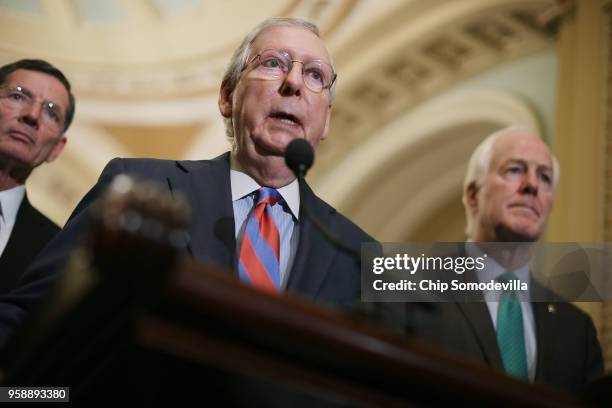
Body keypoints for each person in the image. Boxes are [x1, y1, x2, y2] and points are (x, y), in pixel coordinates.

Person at [0, 18, 373, 347]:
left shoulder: (361, 252)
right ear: (228, 96)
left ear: (326, 121)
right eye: (273, 63)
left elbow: (426, 315)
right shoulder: (135, 184)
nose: (294, 82)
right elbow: (32, 313)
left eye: (315, 75)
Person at [408, 126, 604, 394]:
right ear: (473, 195)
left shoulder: (577, 331)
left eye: (544, 177)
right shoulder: (411, 289)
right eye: (514, 169)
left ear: (549, 206)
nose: (532, 185)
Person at [0, 59, 75, 294]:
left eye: (51, 113)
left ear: (56, 150)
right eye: (18, 96)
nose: (32, 115)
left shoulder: (57, 253)